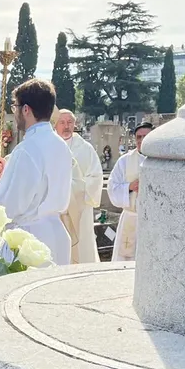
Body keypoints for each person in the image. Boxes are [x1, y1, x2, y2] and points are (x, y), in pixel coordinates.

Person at [0, 79, 72, 266]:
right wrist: (7, 171)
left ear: (26, 109)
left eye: (15, 107)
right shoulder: (61, 145)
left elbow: (10, 206)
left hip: (28, 241)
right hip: (56, 234)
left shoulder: (27, 149)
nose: (15, 113)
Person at [55, 110, 104, 263]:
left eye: (69, 122)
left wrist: (74, 190)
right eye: (62, 122)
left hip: (80, 207)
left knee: (82, 248)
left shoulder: (85, 148)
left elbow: (96, 177)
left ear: (75, 124)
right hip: (57, 208)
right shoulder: (51, 146)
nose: (66, 126)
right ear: (55, 125)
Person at [107, 123, 152, 262]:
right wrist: (129, 187)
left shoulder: (162, 161)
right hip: (131, 218)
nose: (141, 140)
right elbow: (112, 187)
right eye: (139, 137)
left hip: (153, 221)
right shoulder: (125, 161)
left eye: (146, 136)